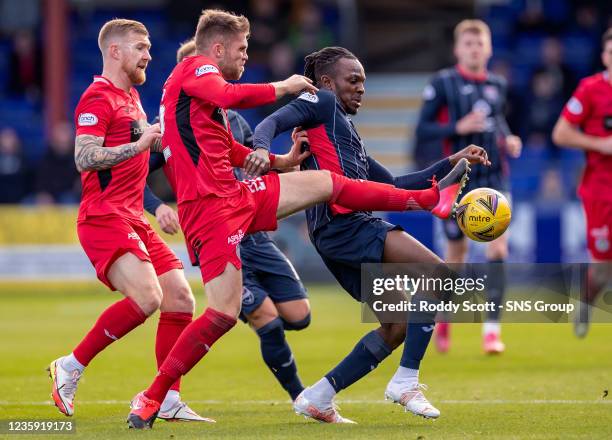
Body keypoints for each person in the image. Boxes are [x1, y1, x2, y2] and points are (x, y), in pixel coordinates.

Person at [127, 9, 447, 429]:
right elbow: (230, 96)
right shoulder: (197, 68)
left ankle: (421, 200)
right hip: (210, 209)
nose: (245, 58)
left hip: (234, 195)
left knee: (326, 182)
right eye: (241, 49)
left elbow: (229, 150)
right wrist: (285, 86)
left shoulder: (195, 97)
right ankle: (153, 397)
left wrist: (281, 160)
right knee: (221, 314)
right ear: (218, 47)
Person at [253, 46, 489, 423]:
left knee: (395, 327)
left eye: (363, 81)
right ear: (327, 82)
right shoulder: (320, 102)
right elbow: (269, 124)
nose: (362, 88)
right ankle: (406, 381)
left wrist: (451, 159)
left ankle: (319, 396)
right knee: (441, 275)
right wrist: (262, 151)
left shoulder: (346, 130)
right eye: (354, 80)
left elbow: (395, 182)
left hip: (336, 234)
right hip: (347, 224)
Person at [47, 19, 211, 423]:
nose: (148, 55)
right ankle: (70, 366)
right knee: (148, 298)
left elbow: (136, 168)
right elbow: (83, 157)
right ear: (116, 51)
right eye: (141, 47)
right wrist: (138, 143)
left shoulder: (134, 99)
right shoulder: (97, 97)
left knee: (180, 299)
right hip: (102, 216)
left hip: (133, 217)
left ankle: (169, 397)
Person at [142, 38, 311, 402]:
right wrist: (159, 207)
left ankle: (240, 308)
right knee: (268, 320)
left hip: (251, 227)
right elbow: (137, 178)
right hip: (216, 230)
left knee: (299, 316)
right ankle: (301, 397)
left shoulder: (231, 120)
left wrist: (277, 162)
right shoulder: (168, 126)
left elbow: (255, 158)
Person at [414, 19, 522, 354]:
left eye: (480, 44)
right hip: (458, 181)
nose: (475, 49)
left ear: (488, 49)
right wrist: (457, 126)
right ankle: (444, 319)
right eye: (469, 44)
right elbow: (423, 129)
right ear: (458, 49)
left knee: (498, 249)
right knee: (456, 259)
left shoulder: (497, 84)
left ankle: (491, 331)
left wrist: (508, 139)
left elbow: (497, 118)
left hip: (493, 179)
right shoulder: (444, 82)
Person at [552, 27, 612, 338]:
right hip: (602, 191)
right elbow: (560, 133)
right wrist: (601, 144)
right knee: (602, 267)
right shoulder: (590, 89)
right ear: (604, 56)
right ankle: (586, 302)